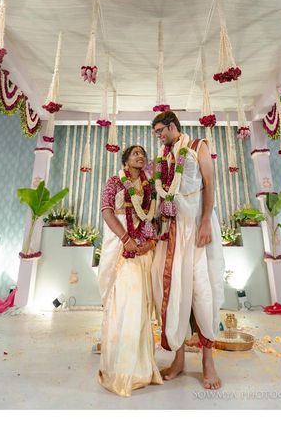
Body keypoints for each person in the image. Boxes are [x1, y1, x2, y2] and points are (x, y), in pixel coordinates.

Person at [151, 111, 225, 390]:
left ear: (172, 126)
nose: (158, 137)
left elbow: (210, 184)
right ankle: (179, 359)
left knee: (201, 291)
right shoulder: (163, 155)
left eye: (160, 131)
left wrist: (205, 220)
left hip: (196, 228)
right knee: (171, 291)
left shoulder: (198, 146)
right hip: (171, 232)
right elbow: (163, 192)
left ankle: (208, 362)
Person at [98, 145, 163, 397]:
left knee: (140, 306)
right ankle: (119, 369)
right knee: (123, 305)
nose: (140, 156)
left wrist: (149, 242)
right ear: (125, 160)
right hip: (120, 249)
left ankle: (142, 369)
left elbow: (153, 219)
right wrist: (126, 238)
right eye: (135, 153)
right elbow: (106, 211)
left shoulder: (150, 186)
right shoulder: (114, 181)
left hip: (143, 252)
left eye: (143, 153)